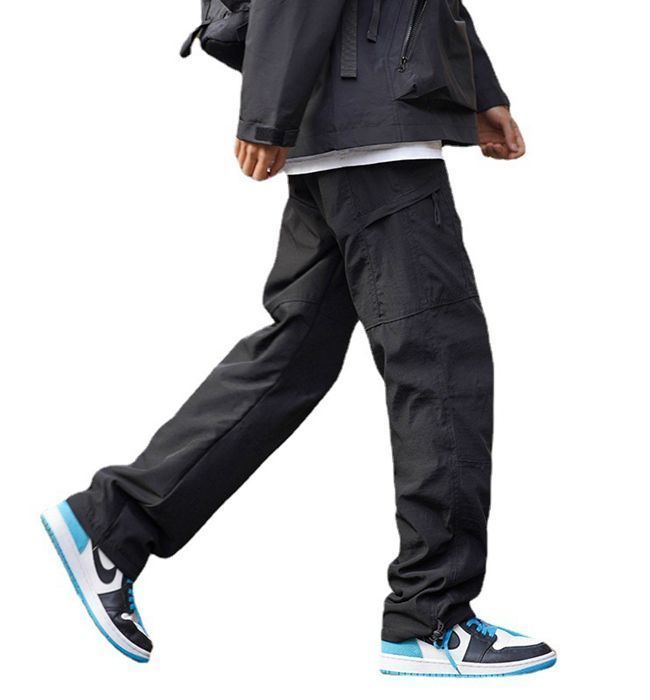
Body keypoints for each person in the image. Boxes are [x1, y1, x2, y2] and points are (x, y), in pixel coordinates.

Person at [41, 0, 556, 676]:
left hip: (354, 118)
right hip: (376, 133)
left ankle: (112, 526)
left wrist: (479, 91)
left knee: (294, 356)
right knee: (440, 365)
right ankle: (432, 618)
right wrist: (266, 112)